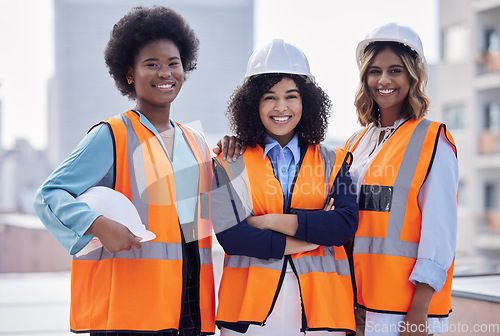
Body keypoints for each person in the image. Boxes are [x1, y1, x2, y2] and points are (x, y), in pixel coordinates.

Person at [33, 6, 215, 336]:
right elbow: (48, 196)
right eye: (152, 64)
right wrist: (97, 224)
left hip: (188, 314)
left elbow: (230, 213)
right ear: (129, 73)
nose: (165, 73)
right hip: (128, 317)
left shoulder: (196, 142)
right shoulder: (112, 135)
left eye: (173, 63)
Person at [211, 39, 359, 335]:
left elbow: (343, 225)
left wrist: (268, 222)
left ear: (306, 101)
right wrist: (313, 238)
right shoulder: (229, 161)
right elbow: (233, 237)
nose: (281, 107)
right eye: (269, 97)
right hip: (250, 314)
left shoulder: (334, 160)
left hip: (321, 313)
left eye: (291, 96)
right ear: (254, 103)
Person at [344, 23, 458, 336]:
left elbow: (441, 233)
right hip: (359, 305)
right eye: (374, 71)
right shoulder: (355, 143)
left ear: (412, 76)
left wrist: (418, 313)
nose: (383, 80)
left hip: (408, 313)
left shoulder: (434, 140)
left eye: (395, 70)